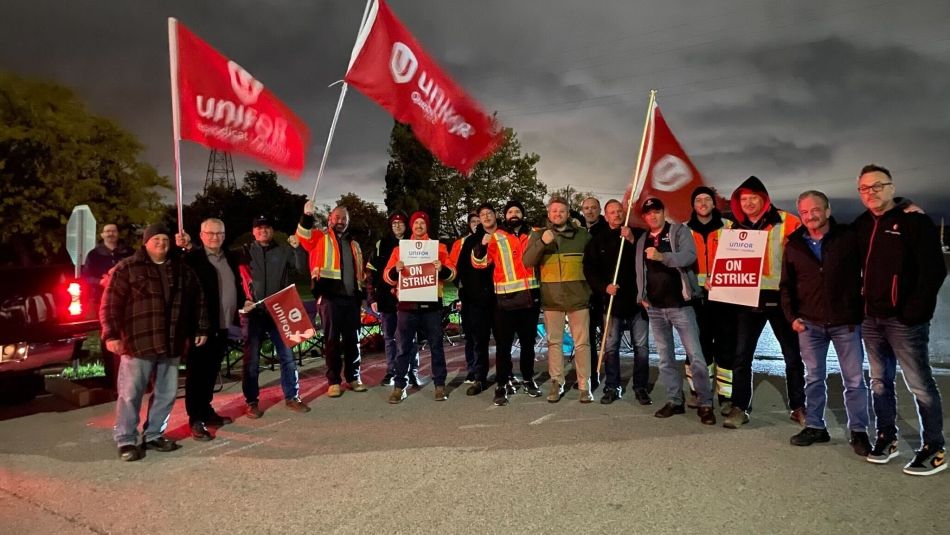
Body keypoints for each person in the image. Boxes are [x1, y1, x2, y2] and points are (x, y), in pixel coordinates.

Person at [854, 164, 946, 476]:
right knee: (879, 382)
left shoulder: (914, 222)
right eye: (865, 188)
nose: (871, 193)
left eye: (877, 186)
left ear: (892, 187)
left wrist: (914, 313)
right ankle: (887, 437)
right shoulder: (862, 224)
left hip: (903, 321)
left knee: (919, 384)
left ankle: (934, 447)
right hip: (871, 319)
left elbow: (934, 271)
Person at [100, 223, 208, 461]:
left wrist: (201, 327)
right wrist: (111, 335)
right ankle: (126, 439)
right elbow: (110, 305)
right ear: (145, 242)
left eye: (165, 239)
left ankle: (154, 435)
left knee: (166, 393)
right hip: (139, 343)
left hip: (171, 342)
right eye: (156, 239)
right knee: (131, 394)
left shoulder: (181, 269)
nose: (161, 243)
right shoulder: (127, 268)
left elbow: (198, 299)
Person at [780, 191, 870, 455]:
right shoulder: (794, 245)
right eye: (804, 212)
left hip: (846, 322)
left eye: (815, 210)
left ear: (828, 210)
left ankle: (859, 431)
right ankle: (816, 427)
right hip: (809, 324)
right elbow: (786, 286)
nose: (810, 216)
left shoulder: (848, 238)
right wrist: (791, 317)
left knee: (854, 380)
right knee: (814, 378)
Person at [718, 176, 805, 430]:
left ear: (764, 198)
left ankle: (798, 406)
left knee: (792, 356)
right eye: (743, 199)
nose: (748, 203)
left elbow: (803, 258)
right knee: (742, 355)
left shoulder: (789, 222)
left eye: (752, 198)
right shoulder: (735, 229)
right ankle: (740, 407)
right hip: (748, 300)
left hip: (782, 299)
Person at [634, 198, 715, 425]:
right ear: (645, 217)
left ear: (663, 212)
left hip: (682, 306)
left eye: (657, 212)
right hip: (656, 309)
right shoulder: (642, 239)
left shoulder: (679, 231)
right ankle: (674, 401)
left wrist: (662, 256)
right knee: (665, 359)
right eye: (648, 214)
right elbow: (638, 270)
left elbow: (689, 256)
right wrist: (641, 296)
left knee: (696, 357)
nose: (653, 217)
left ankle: (705, 403)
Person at [238, 215, 311, 418]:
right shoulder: (244, 252)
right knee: (251, 361)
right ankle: (251, 402)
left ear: (272, 231)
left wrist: (297, 249)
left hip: (280, 310)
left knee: (287, 357)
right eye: (259, 228)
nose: (263, 231)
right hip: (254, 313)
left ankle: (292, 397)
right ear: (253, 232)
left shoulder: (284, 249)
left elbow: (301, 269)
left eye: (267, 227)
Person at [175, 219, 242, 441]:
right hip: (201, 329)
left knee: (212, 372)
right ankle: (196, 418)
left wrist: (243, 304)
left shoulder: (230, 257)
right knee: (197, 375)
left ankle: (206, 410)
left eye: (219, 233)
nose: (215, 237)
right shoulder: (191, 259)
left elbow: (236, 286)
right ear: (201, 235)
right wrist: (181, 245)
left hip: (223, 326)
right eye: (210, 233)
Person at [523, 197, 593, 403]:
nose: (558, 215)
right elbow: (527, 261)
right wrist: (542, 243)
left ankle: (584, 384)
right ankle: (557, 382)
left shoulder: (582, 235)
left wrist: (589, 291)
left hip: (578, 297)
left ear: (568, 214)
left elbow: (592, 264)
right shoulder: (537, 235)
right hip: (551, 298)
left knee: (582, 344)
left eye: (562, 211)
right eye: (554, 211)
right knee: (554, 343)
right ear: (548, 213)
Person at [383, 211, 457, 403]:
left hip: (431, 304)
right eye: (416, 223)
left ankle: (439, 385)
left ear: (427, 226)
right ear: (411, 226)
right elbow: (386, 277)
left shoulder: (439, 247)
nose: (418, 226)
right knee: (403, 347)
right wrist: (394, 270)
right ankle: (400, 387)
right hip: (407, 306)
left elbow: (452, 274)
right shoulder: (400, 249)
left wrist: (443, 268)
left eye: (422, 223)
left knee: (436, 346)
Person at [583, 199, 651, 405]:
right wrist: (604, 287)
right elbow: (590, 269)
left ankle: (641, 387)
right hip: (611, 303)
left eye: (619, 211)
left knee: (641, 347)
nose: (616, 215)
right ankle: (612, 386)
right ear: (606, 215)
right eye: (612, 212)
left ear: (624, 212)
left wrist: (631, 240)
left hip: (637, 302)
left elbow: (647, 259)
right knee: (610, 347)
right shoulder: (598, 240)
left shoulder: (638, 235)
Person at [471, 202, 541, 405]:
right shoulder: (497, 236)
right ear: (505, 215)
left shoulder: (534, 233)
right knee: (504, 346)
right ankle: (502, 384)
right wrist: (482, 245)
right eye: (510, 211)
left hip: (530, 298)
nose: (514, 214)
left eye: (518, 211)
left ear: (523, 214)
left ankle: (528, 379)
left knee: (528, 344)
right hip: (505, 300)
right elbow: (479, 263)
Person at [296, 202, 367, 398]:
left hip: (352, 299)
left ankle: (353, 377)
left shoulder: (355, 245)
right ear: (330, 219)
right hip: (330, 299)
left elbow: (359, 274)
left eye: (344, 219)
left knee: (354, 341)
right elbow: (303, 235)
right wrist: (307, 216)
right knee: (331, 341)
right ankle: (334, 381)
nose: (341, 221)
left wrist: (362, 296)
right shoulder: (320, 237)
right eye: (337, 218)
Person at [686, 187, 735, 413]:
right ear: (693, 205)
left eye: (707, 199)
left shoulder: (729, 228)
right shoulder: (683, 231)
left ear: (714, 204)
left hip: (724, 298)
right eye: (698, 200)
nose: (703, 203)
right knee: (697, 348)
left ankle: (726, 396)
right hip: (695, 299)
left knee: (726, 347)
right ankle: (699, 391)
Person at [366, 211, 422, 387]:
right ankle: (392, 371)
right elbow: (370, 273)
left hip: (409, 297)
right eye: (394, 224)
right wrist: (372, 297)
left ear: (406, 225)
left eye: (401, 223)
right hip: (386, 298)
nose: (397, 226)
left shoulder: (415, 243)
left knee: (410, 337)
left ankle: (412, 372)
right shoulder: (381, 244)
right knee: (390, 338)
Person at [81, 222, 134, 390]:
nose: (110, 234)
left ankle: (132, 377)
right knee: (109, 336)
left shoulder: (128, 252)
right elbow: (86, 277)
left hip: (127, 301)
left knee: (129, 336)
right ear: (102, 235)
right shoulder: (94, 255)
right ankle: (111, 378)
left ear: (117, 234)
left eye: (113, 231)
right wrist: (101, 281)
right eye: (107, 231)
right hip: (102, 299)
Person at [449, 212, 491, 384]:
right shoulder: (461, 243)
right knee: (471, 336)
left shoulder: (492, 238)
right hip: (469, 296)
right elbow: (454, 269)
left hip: (488, 294)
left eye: (478, 221)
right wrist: (460, 290)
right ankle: (472, 369)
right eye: (473, 221)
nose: (476, 224)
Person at [579, 196, 608, 392]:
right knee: (586, 338)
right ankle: (590, 375)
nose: (589, 211)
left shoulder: (607, 231)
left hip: (604, 292)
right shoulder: (580, 233)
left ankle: (611, 377)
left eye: (593, 208)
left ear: (599, 210)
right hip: (584, 293)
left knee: (608, 337)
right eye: (586, 208)